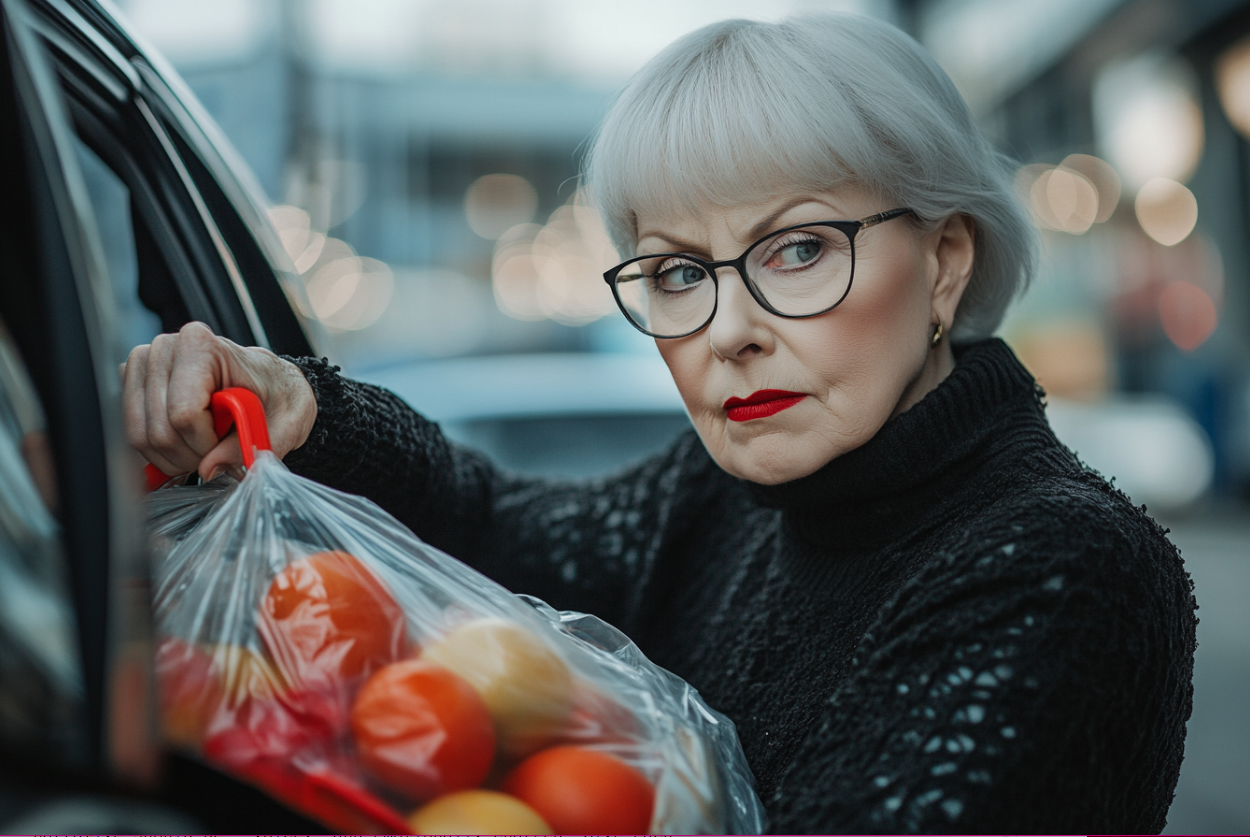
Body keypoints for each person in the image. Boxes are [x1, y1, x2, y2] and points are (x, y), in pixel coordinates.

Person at [123, 14, 1196, 834]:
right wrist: (309, 409)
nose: (727, 330)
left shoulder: (1058, 565)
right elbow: (495, 524)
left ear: (945, 264)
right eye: (679, 271)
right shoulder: (722, 494)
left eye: (798, 249)